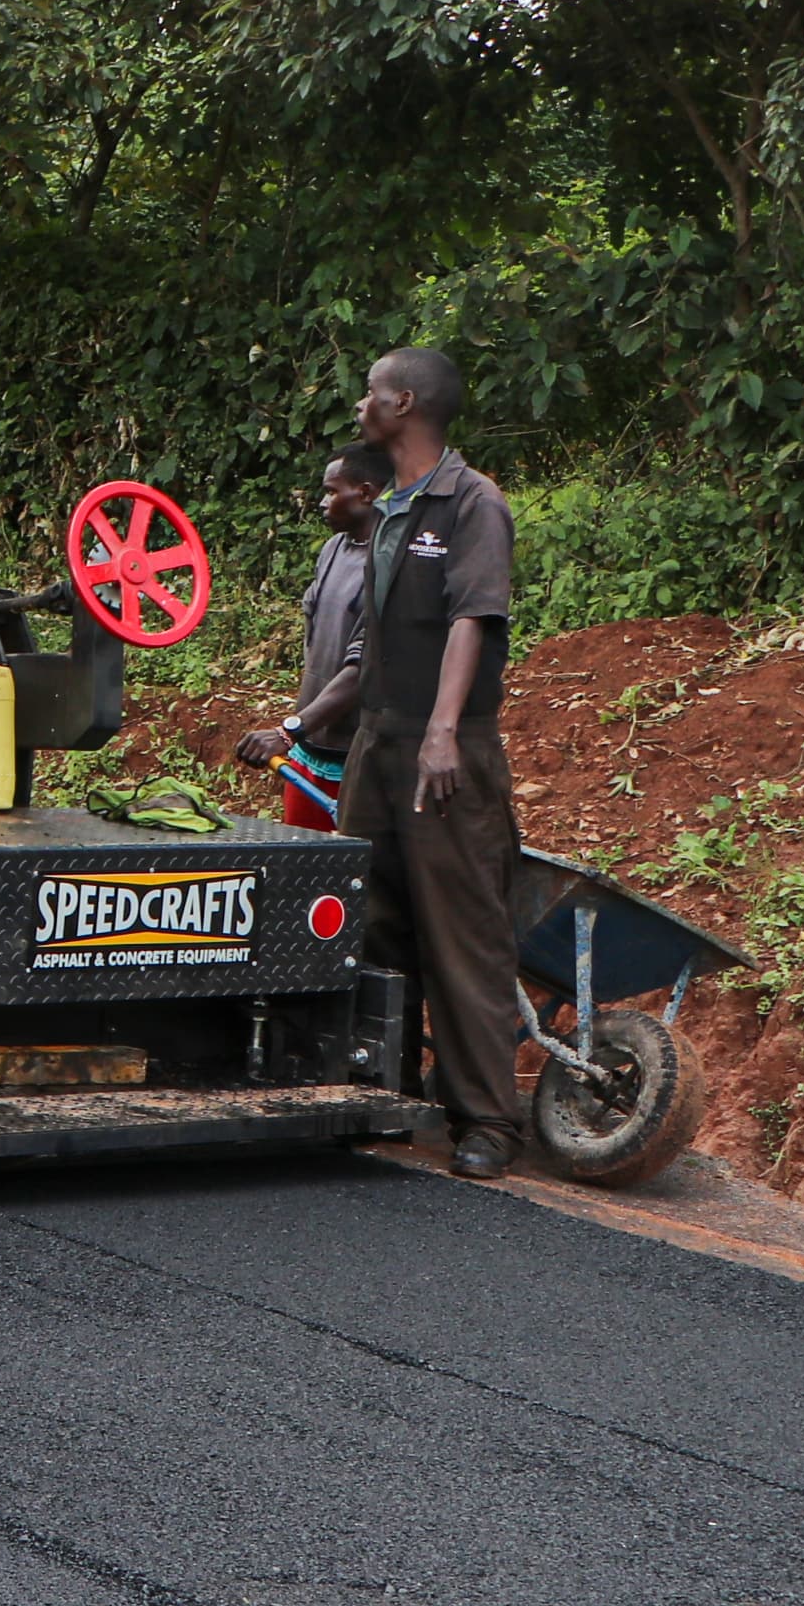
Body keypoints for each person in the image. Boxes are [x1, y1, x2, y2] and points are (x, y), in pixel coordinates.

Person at [336, 347, 529, 1179]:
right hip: (378, 740)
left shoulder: (470, 502)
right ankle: (388, 1085)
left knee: (460, 934)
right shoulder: (388, 508)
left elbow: (472, 619)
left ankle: (486, 1119)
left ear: (404, 403)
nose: (359, 405)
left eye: (371, 393)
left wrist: (444, 732)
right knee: (373, 921)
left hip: (444, 744)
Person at [235, 442, 393, 830]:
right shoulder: (333, 550)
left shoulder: (391, 565)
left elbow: (364, 668)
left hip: (358, 760)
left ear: (366, 493)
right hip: (309, 751)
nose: (322, 502)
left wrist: (288, 730)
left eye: (331, 491)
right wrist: (301, 732)